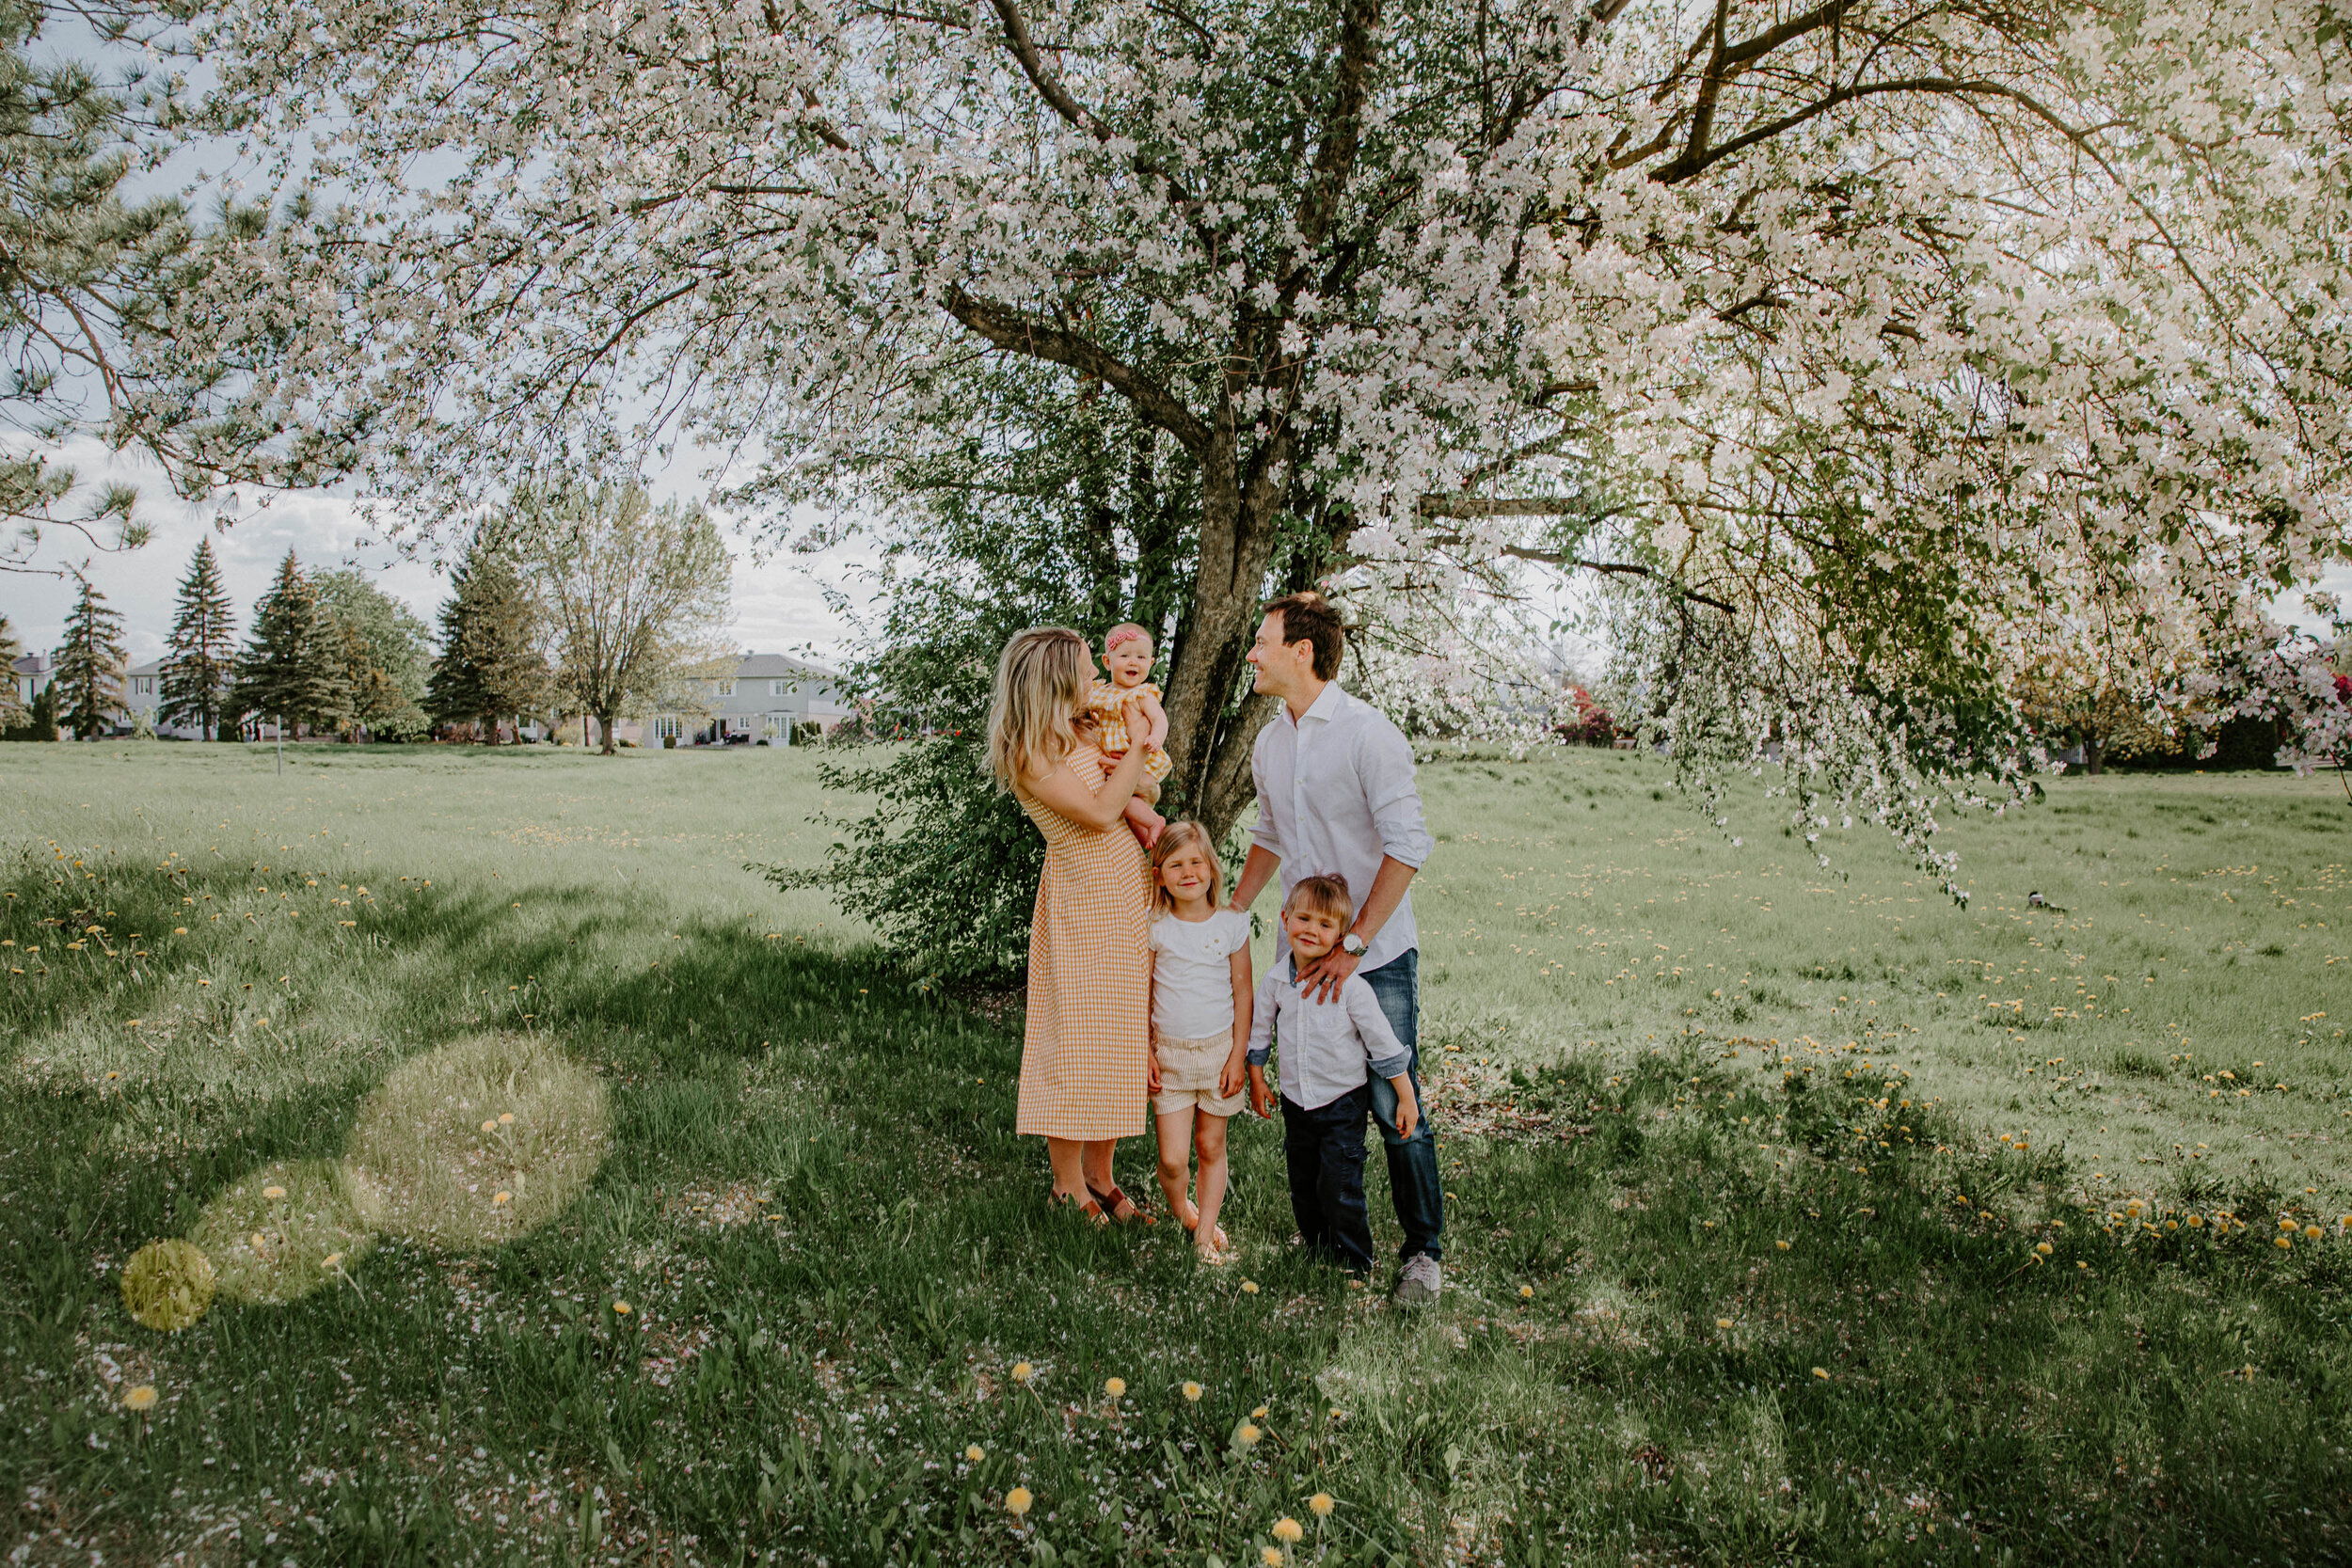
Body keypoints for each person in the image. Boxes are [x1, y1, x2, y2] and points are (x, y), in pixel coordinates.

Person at [1229, 590, 1445, 1305]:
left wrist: (1354, 943)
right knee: (1310, 1096)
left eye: (1263, 642)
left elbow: (1409, 847)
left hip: (1373, 957)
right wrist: (1232, 912)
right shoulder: (1270, 741)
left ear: (1303, 651)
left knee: (1394, 1105)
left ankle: (1422, 1254)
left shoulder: (1367, 734)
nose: (1251, 654)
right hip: (1303, 958)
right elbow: (1269, 836)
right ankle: (1329, 1242)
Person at [986, 626, 1155, 1224]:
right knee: (1081, 1039)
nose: (1095, 678)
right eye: (1085, 670)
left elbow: (1144, 789)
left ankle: (1101, 1175)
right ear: (1056, 678)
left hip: (1124, 901)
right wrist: (1134, 748)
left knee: (1118, 1039)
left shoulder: (1079, 733)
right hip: (1082, 905)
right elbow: (1101, 810)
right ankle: (1066, 1186)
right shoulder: (1029, 751)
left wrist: (1132, 761)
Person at [1244, 874, 1420, 1276]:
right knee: (1303, 1184)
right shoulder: (1275, 981)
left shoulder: (1352, 989)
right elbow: (1260, 1030)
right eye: (1303, 919)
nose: (1311, 930)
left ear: (1341, 935)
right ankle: (1317, 1246)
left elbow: (1384, 1043)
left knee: (1339, 1185)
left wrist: (1405, 1096)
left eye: (1325, 925)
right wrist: (1256, 1075)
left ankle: (1356, 1260)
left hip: (1342, 1103)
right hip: (1296, 1101)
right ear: (1285, 918)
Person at [1144, 821, 1253, 1265]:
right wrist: (1144, 1050)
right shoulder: (1157, 925)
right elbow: (1141, 992)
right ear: (1159, 875)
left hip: (1217, 1054)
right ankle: (1182, 1209)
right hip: (1169, 1055)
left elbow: (1243, 992)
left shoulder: (1231, 923)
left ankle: (1204, 1235)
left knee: (1211, 1145)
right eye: (1175, 864)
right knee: (1172, 1159)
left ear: (1212, 867)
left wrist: (1238, 1056)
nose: (1188, 872)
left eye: (1196, 862)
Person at [1088, 623, 1172, 847]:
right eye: (1125, 655)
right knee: (1126, 808)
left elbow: (1159, 719)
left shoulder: (1143, 694)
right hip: (1116, 760)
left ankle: (1155, 822)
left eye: (1141, 658)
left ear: (1151, 663)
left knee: (1124, 802)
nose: (1133, 661)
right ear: (1107, 661)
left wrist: (1156, 738)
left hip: (1137, 759)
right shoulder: (1099, 692)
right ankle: (1153, 847)